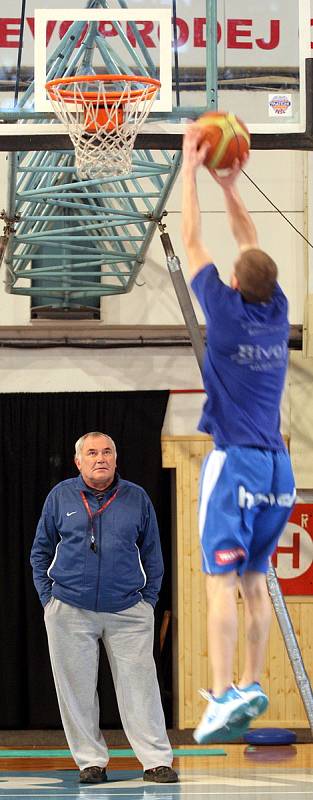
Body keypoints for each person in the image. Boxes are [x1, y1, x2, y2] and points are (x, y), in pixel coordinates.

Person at [181, 127, 296, 744]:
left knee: (218, 581)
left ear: (232, 282)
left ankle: (224, 694)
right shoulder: (275, 310)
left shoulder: (223, 312)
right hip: (281, 471)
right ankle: (254, 681)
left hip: (238, 463)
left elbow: (193, 238)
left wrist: (192, 171)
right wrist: (233, 185)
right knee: (255, 580)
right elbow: (249, 244)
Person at [30, 431, 178, 785]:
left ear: (116, 459)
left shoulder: (136, 498)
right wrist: (48, 601)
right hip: (69, 608)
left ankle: (156, 761)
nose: (101, 458)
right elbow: (40, 552)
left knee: (141, 687)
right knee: (76, 690)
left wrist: (148, 601)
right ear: (78, 461)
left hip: (128, 610)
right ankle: (90, 762)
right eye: (92, 452)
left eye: (107, 451)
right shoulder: (60, 496)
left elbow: (154, 555)